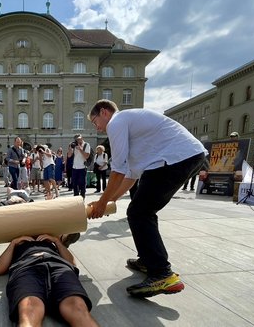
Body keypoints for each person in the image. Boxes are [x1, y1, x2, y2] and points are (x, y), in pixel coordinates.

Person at [87, 100, 207, 298]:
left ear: (104, 112)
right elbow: (130, 177)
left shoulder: (117, 122)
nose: (97, 127)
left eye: (95, 121)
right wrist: (110, 201)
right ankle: (150, 260)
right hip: (186, 156)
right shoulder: (131, 128)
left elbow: (116, 171)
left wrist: (101, 203)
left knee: (139, 213)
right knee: (143, 211)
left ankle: (161, 273)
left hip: (175, 158)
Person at [0, 234, 98, 326]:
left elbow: (72, 263)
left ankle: (65, 239)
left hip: (57, 264)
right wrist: (13, 243)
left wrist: (56, 241)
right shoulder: (18, 241)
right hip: (26, 266)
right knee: (29, 310)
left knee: (77, 308)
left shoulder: (51, 238)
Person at [67, 134, 91, 199]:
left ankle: (82, 199)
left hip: (82, 167)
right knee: (74, 184)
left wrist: (80, 149)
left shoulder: (86, 145)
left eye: (79, 139)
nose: (78, 140)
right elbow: (69, 156)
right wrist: (70, 148)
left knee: (82, 184)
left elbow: (86, 156)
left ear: (82, 138)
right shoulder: (74, 145)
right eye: (76, 139)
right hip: (74, 167)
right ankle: (76, 199)